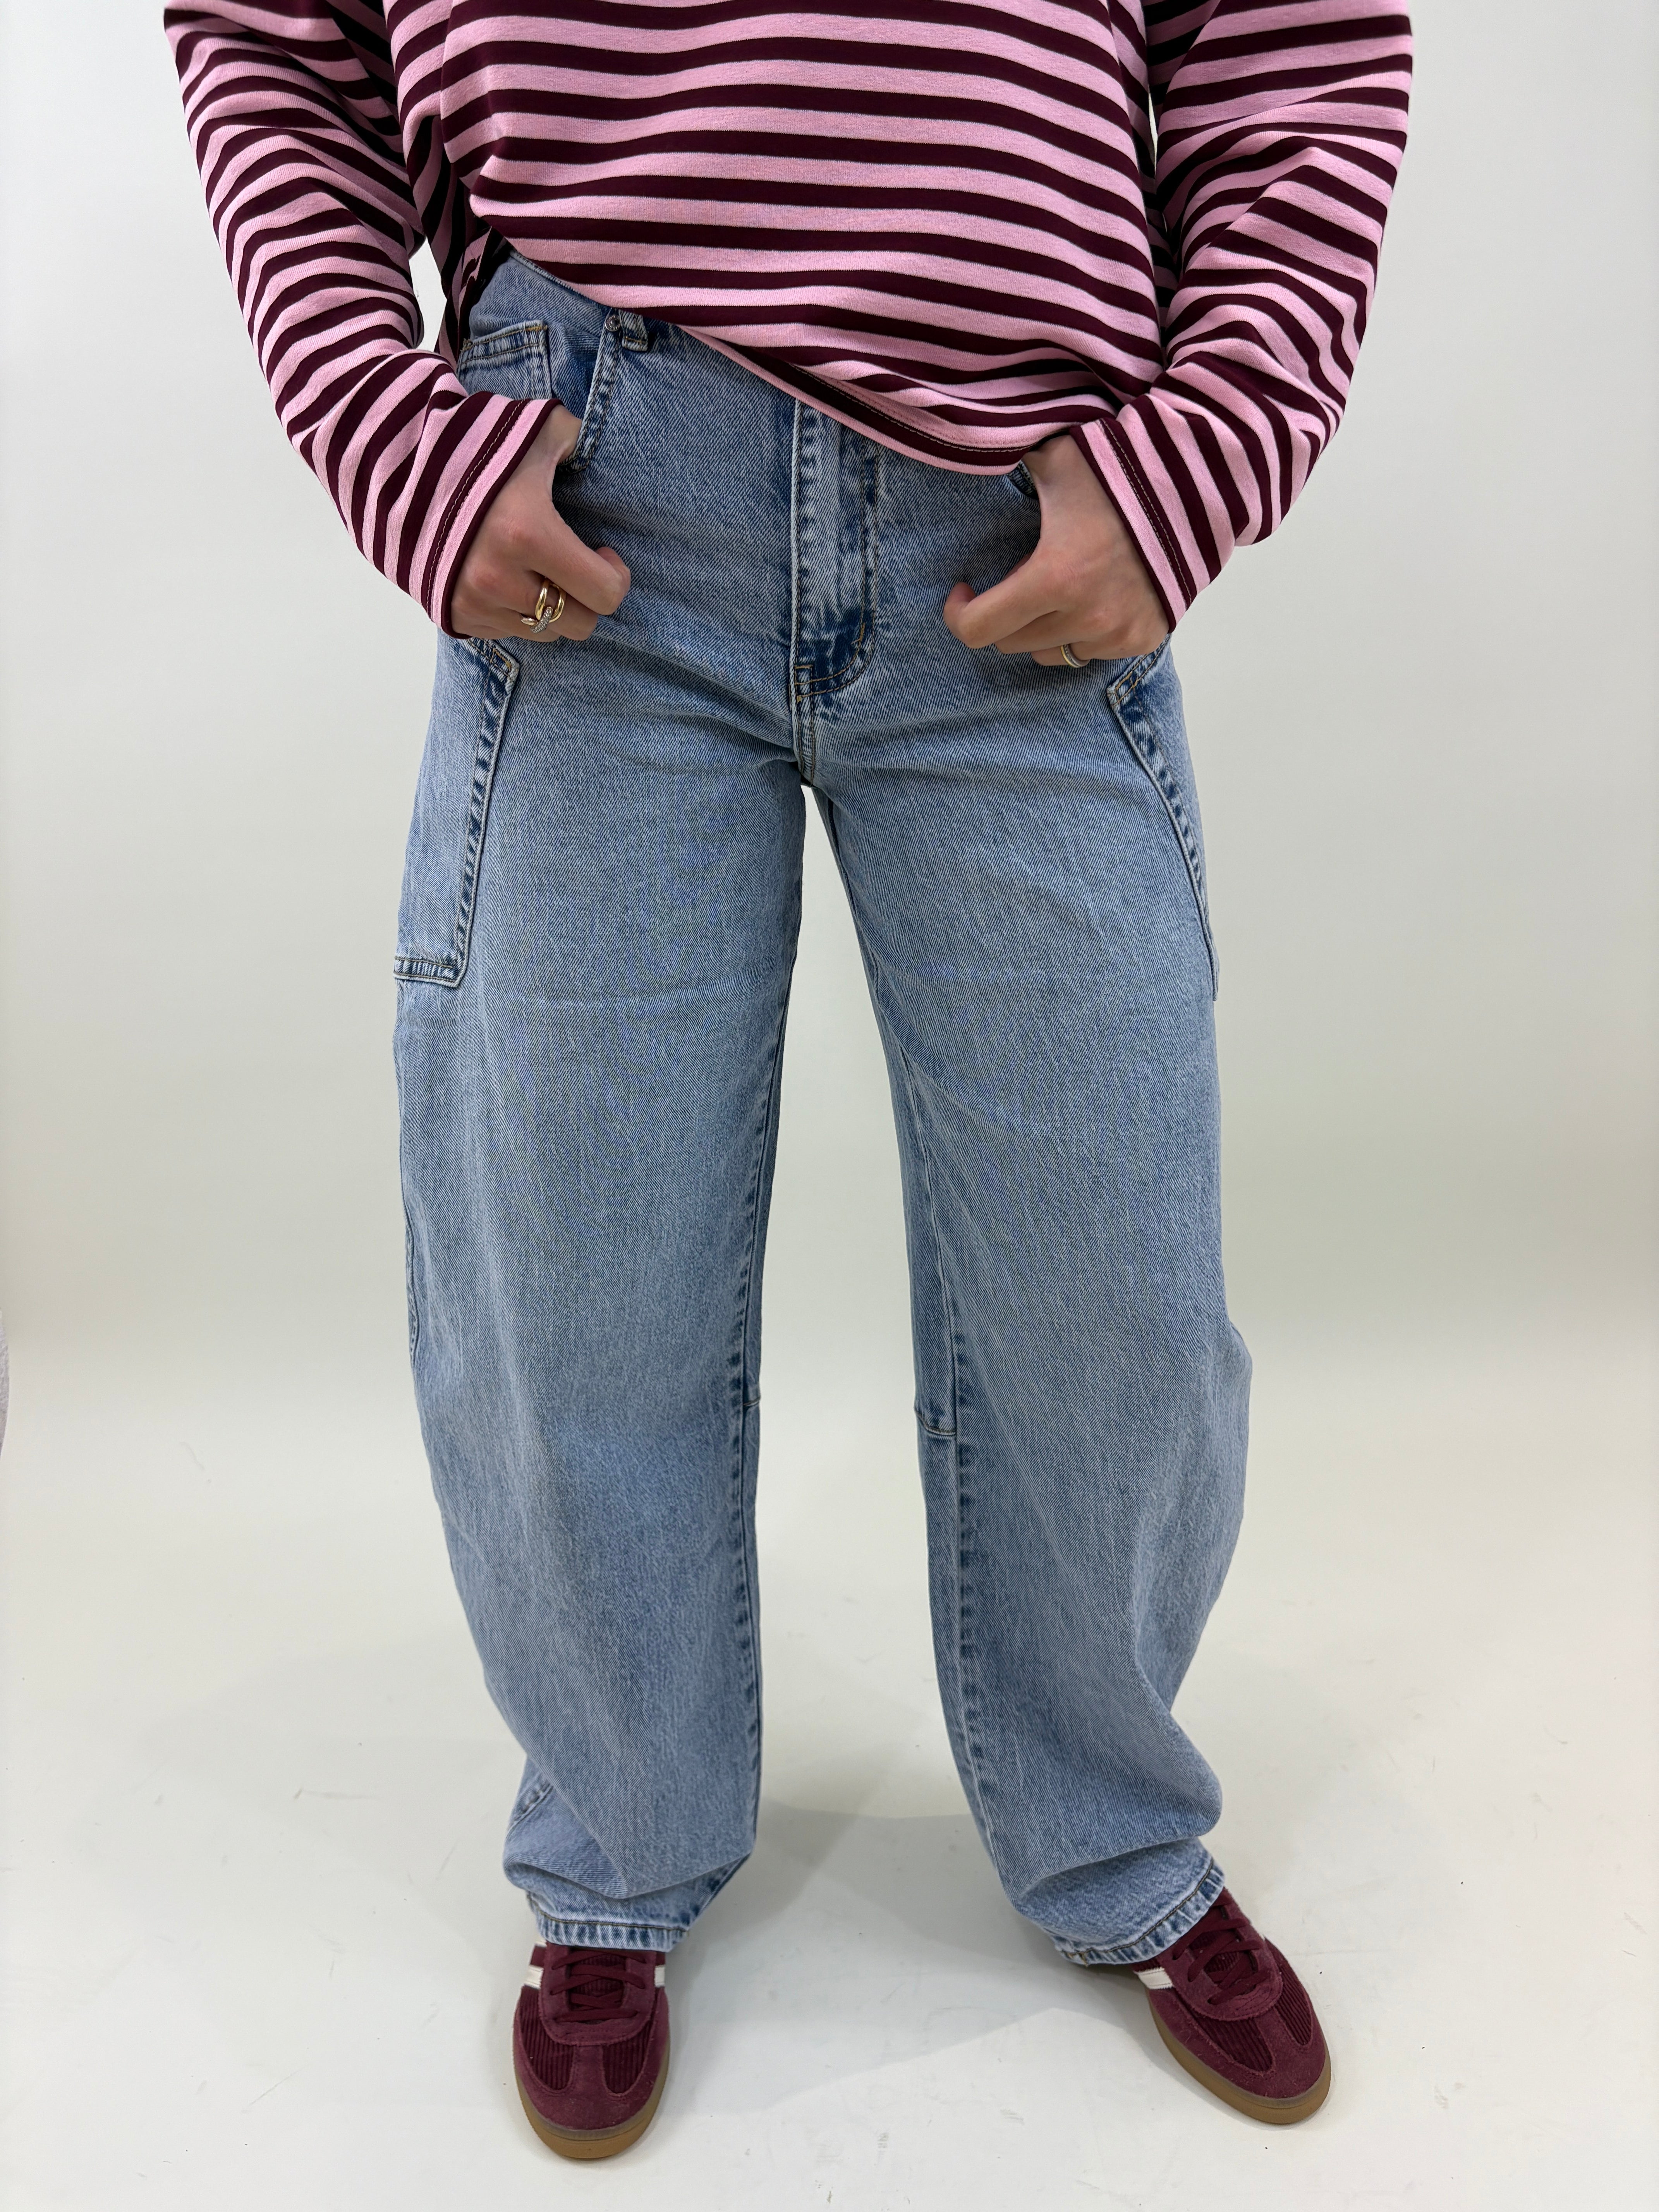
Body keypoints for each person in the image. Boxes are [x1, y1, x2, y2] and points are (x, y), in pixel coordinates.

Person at [167, 0, 1411, 2157]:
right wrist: (384, 423)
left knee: (1112, 1284)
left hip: (1021, 494)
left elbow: (1294, 51)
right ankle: (613, 1850)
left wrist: (1207, 442)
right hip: (590, 476)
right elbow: (275, 46)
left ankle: (1116, 1829)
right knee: (577, 1264)